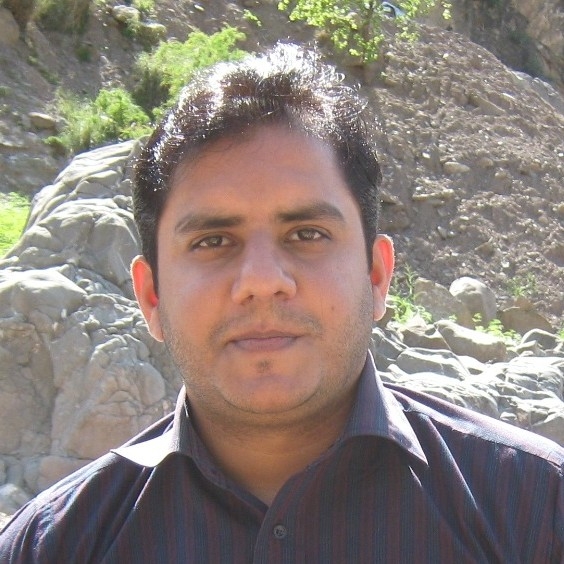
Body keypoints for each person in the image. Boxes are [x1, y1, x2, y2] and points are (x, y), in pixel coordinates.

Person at [1, 44, 563, 563]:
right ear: (152, 295)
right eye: (213, 241)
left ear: (376, 275)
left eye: (307, 234)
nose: (263, 281)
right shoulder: (53, 546)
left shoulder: (535, 513)